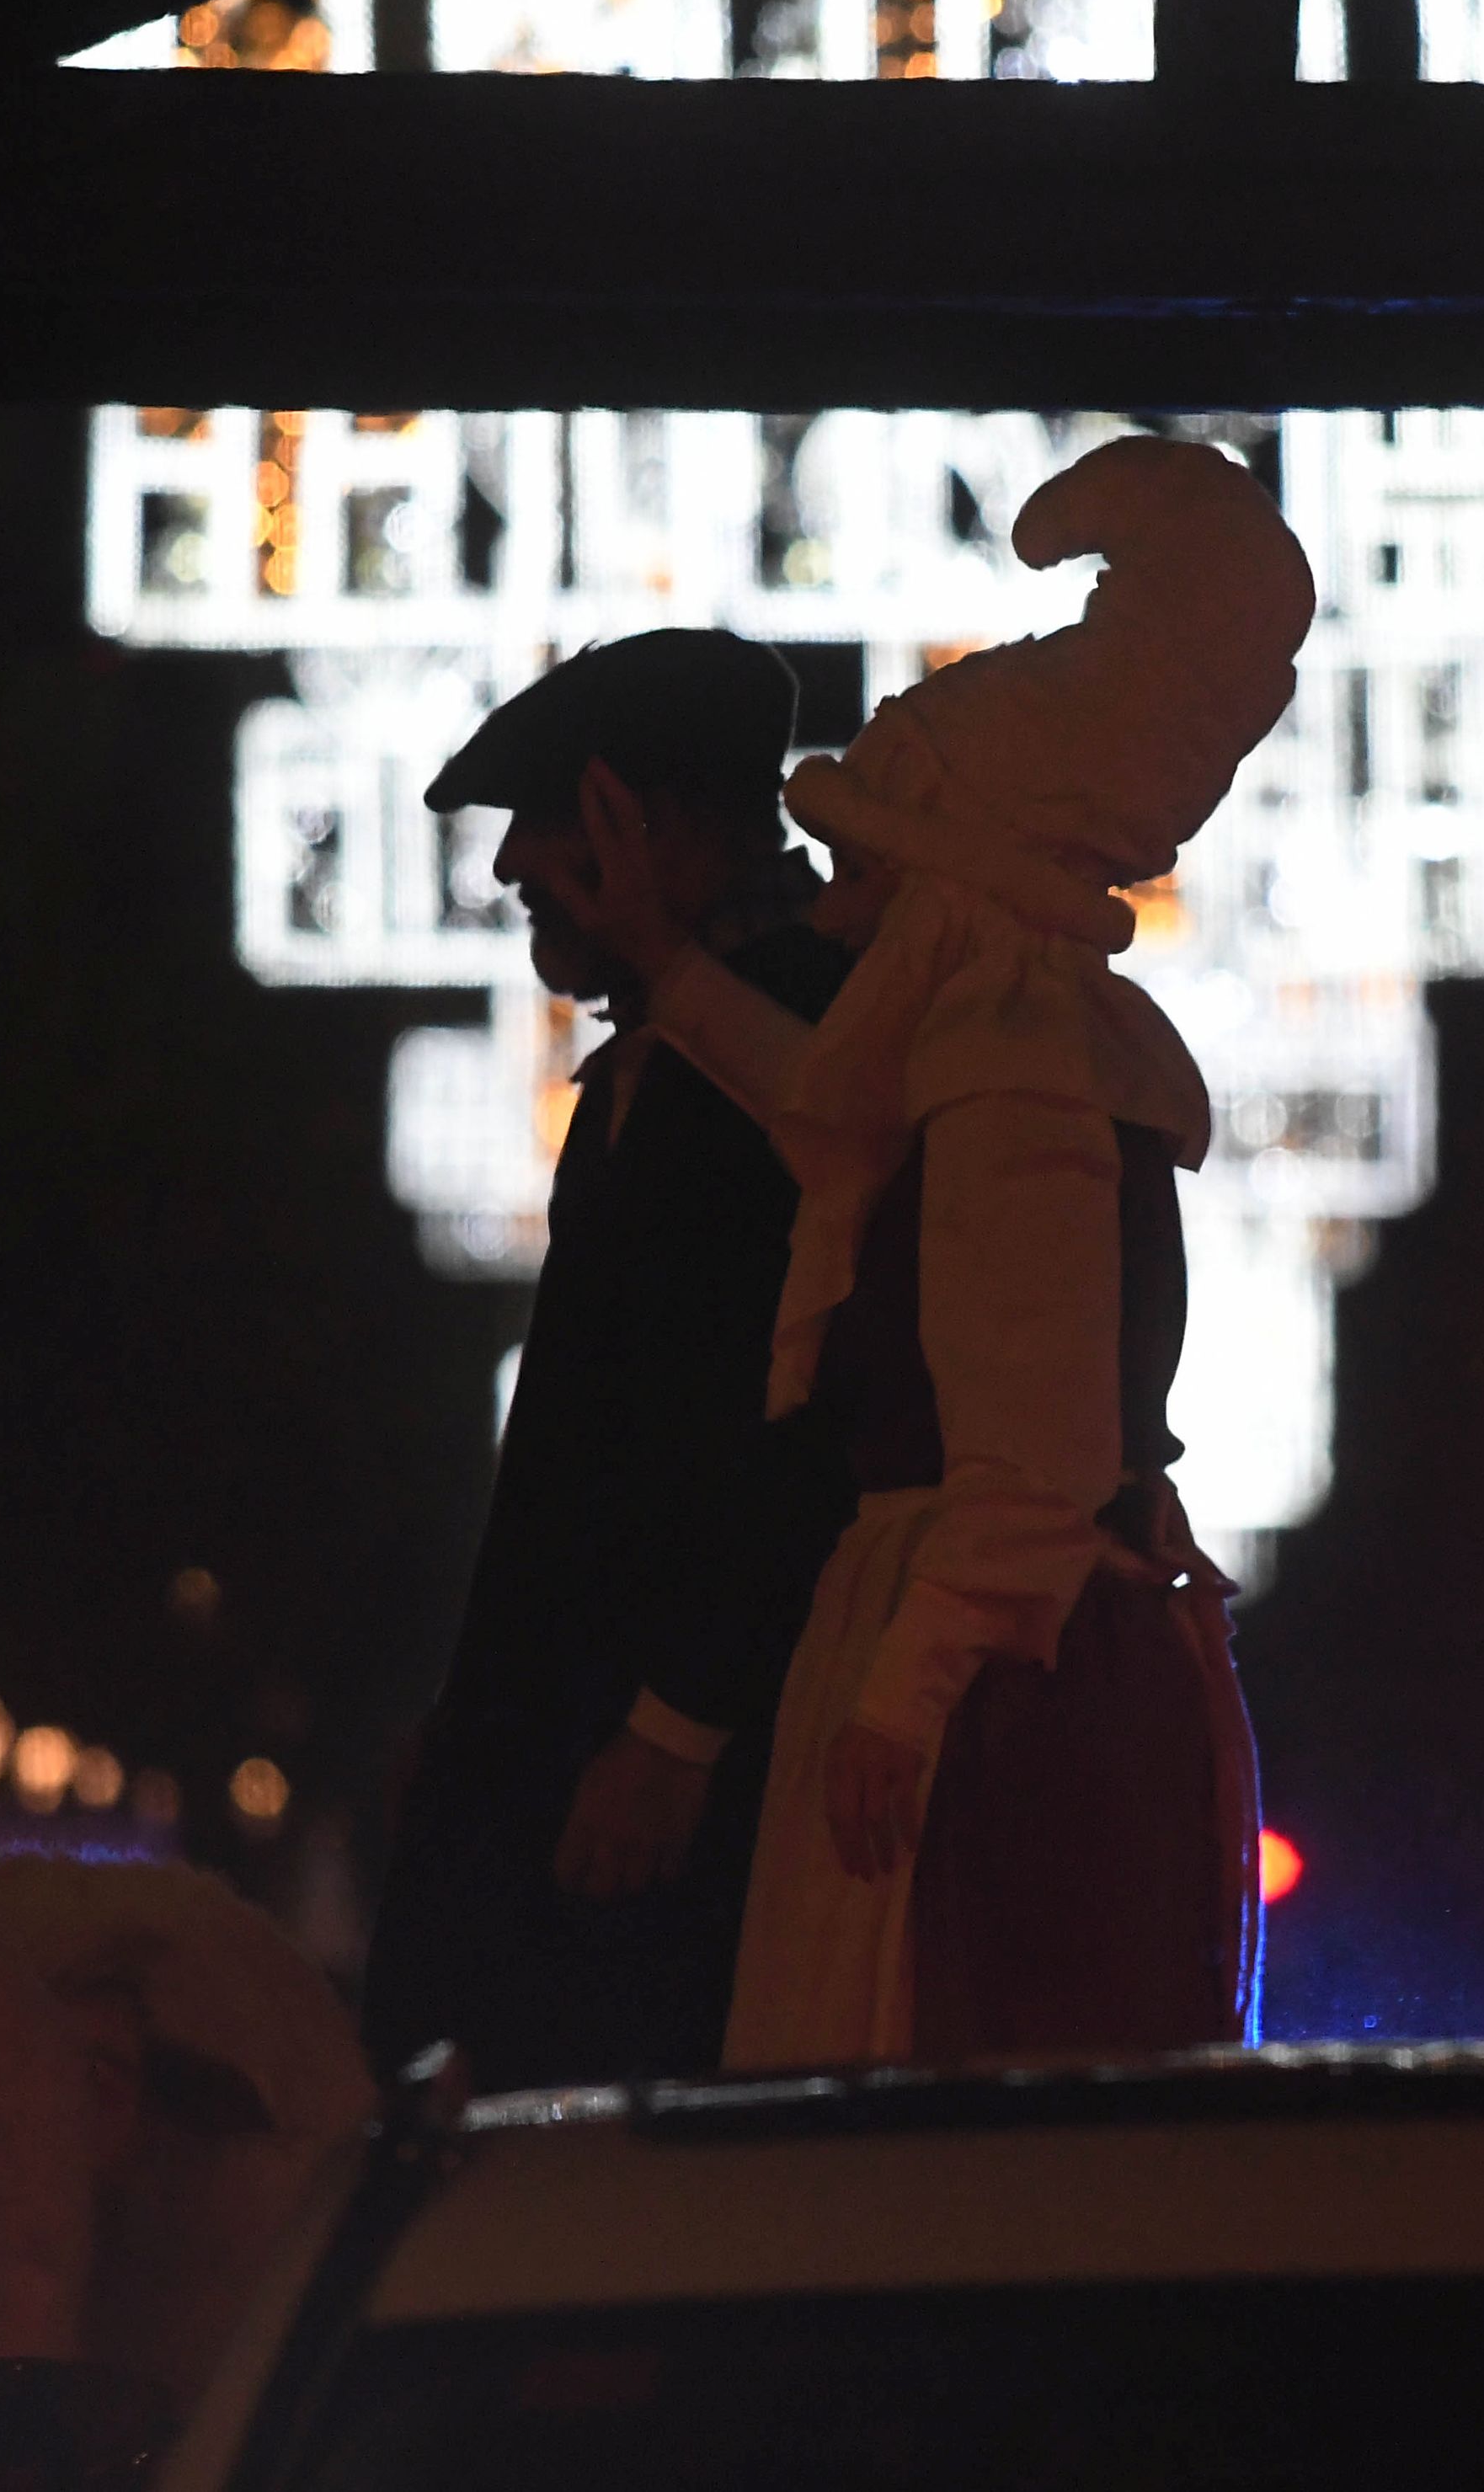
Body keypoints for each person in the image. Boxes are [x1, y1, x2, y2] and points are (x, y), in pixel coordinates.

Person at [544, 436, 1313, 2065]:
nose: (835, 907)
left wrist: (902, 1696)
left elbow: (1030, 1453)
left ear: (955, 879)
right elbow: (831, 1106)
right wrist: (671, 970)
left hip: (998, 1690)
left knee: (943, 2085)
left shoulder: (1015, 1076)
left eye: (866, 858)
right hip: (993, 1651)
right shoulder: (992, 1054)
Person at [358, 630, 855, 2091]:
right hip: (587, 1747)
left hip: (653, 1781)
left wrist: (674, 1727)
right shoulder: (679, 1045)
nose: (515, 868)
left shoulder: (796, 1040)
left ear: (664, 830)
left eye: (554, 823)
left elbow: (795, 1411)